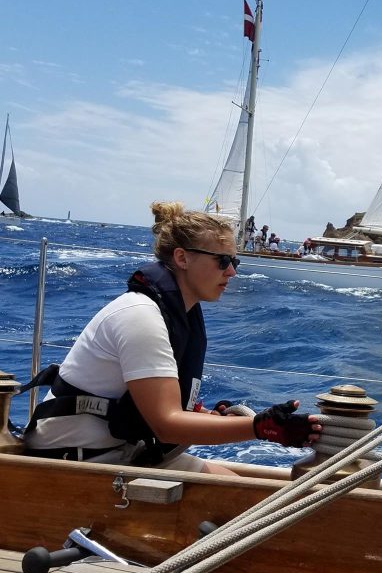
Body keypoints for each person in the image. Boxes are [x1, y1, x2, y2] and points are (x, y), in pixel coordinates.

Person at [22, 201, 322, 474]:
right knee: (239, 504)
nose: (231, 272)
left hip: (123, 450)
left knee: (248, 495)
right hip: (75, 461)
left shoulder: (176, 315)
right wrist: (262, 428)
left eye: (235, 262)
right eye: (222, 261)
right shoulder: (141, 317)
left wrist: (211, 418)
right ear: (182, 258)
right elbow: (166, 425)